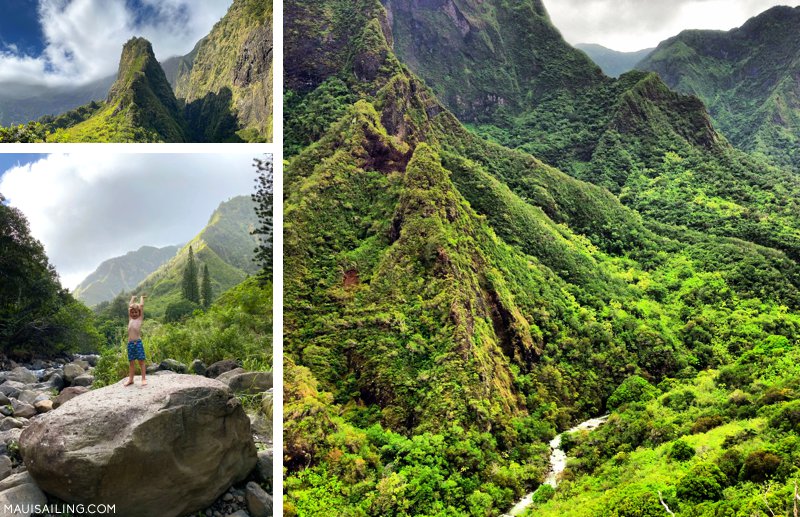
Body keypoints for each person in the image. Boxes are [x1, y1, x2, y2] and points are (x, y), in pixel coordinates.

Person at [124, 295, 147, 386]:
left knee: (141, 362)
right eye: (132, 312)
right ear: (130, 313)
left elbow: (141, 306)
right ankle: (131, 379)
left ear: (139, 313)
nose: (134, 314)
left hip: (138, 343)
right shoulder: (130, 319)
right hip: (130, 344)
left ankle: (144, 379)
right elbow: (130, 306)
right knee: (131, 363)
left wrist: (141, 297)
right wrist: (133, 298)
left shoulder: (139, 319)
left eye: (136, 312)